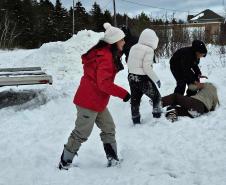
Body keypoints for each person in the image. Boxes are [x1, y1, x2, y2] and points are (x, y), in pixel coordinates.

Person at [58, 23, 131, 170]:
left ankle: (112, 158)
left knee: (108, 127)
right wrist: (123, 94)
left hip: (98, 101)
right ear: (114, 41)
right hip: (88, 101)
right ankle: (65, 162)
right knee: (81, 133)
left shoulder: (109, 54)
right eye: (122, 40)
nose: (124, 42)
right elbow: (103, 84)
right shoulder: (105, 56)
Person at [127, 28, 162, 124]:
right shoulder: (149, 50)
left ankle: (136, 119)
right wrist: (156, 79)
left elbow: (128, 62)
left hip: (131, 76)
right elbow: (146, 67)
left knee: (135, 99)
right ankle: (157, 117)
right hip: (142, 78)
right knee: (156, 97)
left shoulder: (133, 47)